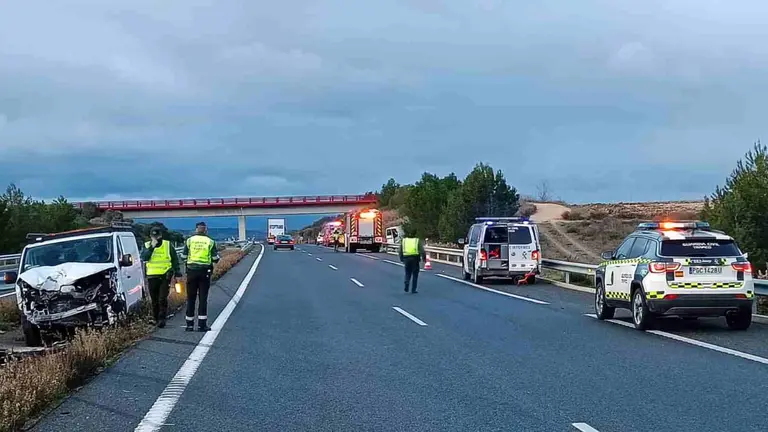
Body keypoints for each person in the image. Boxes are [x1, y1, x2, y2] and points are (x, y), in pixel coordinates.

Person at [141, 227, 182, 328]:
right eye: (154, 236)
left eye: (157, 236)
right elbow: (144, 257)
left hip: (165, 275)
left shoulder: (167, 245)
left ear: (161, 235)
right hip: (152, 276)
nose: (156, 238)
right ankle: (155, 318)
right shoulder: (147, 245)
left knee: (162, 298)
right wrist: (152, 247)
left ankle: (162, 318)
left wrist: (177, 273)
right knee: (154, 299)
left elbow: (174, 260)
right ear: (150, 236)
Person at [183, 222, 220, 332]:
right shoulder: (210, 241)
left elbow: (183, 256)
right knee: (203, 299)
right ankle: (202, 325)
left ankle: (189, 325)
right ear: (205, 230)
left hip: (191, 272)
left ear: (196, 229)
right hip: (205, 272)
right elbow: (215, 258)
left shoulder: (189, 240)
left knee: (191, 298)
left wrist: (189, 264)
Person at [398, 228, 426, 293]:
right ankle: (413, 289)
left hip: (406, 259)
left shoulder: (404, 241)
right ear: (415, 234)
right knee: (415, 274)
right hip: (415, 259)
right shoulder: (417, 241)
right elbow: (422, 251)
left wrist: (401, 258)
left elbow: (400, 251)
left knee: (407, 272)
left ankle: (407, 281)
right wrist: (424, 258)